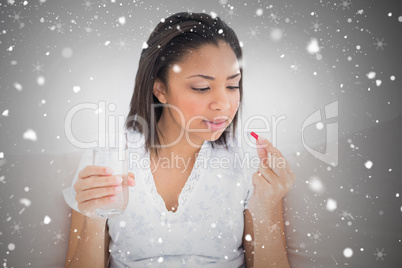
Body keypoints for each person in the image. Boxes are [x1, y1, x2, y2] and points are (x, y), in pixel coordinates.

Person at [63, 11, 295, 267]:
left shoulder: (249, 166)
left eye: (232, 85)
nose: (223, 104)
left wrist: (266, 213)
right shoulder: (106, 160)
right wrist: (94, 218)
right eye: (201, 88)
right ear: (160, 89)